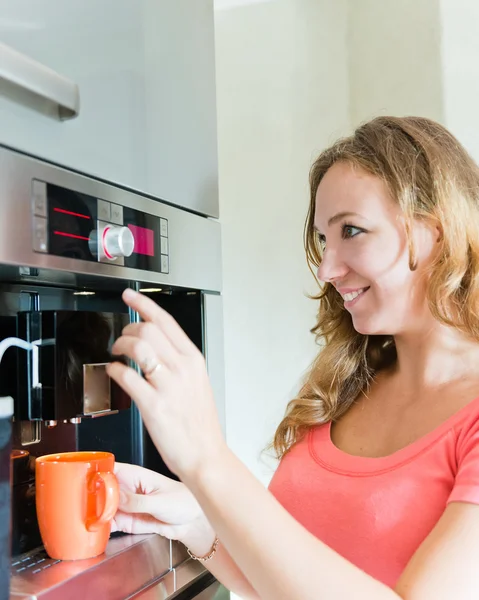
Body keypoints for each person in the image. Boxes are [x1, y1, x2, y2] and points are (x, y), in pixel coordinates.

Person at [106, 116, 479, 599]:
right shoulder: (347, 385)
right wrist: (198, 520)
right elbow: (282, 585)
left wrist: (209, 463)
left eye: (352, 230)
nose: (326, 268)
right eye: (324, 239)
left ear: (437, 232)